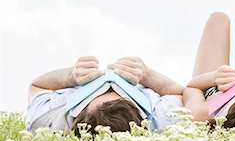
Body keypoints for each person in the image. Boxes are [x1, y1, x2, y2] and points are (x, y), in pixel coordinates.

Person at [26, 56, 184, 135]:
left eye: (96, 91)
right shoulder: (161, 118)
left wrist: (70, 75)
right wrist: (147, 75)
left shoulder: (50, 117)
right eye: (119, 90)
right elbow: (183, 93)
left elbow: (37, 86)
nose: (108, 82)